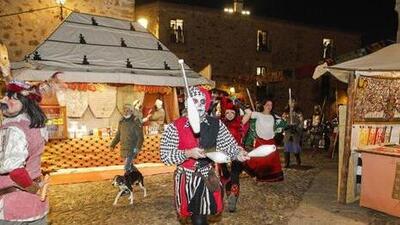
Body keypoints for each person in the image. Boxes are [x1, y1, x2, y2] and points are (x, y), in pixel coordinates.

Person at [160, 86, 249, 225]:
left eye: (202, 101)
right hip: (186, 177)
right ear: (188, 103)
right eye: (194, 101)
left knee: (200, 218)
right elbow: (165, 156)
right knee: (196, 217)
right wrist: (187, 153)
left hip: (206, 175)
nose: (199, 105)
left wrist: (238, 153)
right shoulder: (175, 126)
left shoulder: (216, 124)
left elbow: (229, 145)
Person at [0, 80, 49, 224]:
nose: (5, 100)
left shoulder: (14, 129)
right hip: (35, 203)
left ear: (26, 103)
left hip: (14, 205)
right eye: (6, 96)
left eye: (12, 98)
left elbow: (16, 171)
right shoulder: (34, 125)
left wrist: (34, 189)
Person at [242, 98, 284, 182]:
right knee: (260, 160)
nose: (269, 106)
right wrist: (244, 107)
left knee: (271, 161)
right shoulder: (258, 114)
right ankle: (259, 177)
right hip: (261, 141)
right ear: (263, 105)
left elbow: (282, 123)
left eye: (271, 105)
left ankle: (270, 177)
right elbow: (248, 114)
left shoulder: (274, 116)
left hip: (271, 141)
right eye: (267, 104)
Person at [110, 103, 144, 172]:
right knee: (130, 165)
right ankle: (137, 176)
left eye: (127, 110)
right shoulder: (121, 121)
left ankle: (127, 181)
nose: (125, 112)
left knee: (126, 167)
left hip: (132, 148)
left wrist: (138, 148)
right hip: (123, 147)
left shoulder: (136, 121)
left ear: (131, 111)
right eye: (124, 110)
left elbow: (141, 137)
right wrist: (112, 145)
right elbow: (118, 135)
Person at [282, 97, 304, 168]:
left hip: (295, 131)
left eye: (293, 102)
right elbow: (283, 121)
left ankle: (298, 159)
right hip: (288, 131)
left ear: (295, 103)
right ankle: (287, 163)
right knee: (286, 148)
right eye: (290, 102)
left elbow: (301, 122)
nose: (291, 103)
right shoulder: (286, 112)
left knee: (295, 148)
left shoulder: (298, 112)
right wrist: (285, 126)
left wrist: (297, 128)